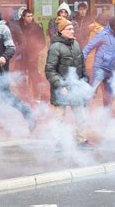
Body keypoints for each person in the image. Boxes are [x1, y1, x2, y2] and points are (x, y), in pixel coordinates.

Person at [45, 16, 92, 150]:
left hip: (76, 88)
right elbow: (49, 71)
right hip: (61, 90)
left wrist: (85, 82)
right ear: (61, 31)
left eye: (72, 28)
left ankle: (81, 141)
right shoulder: (55, 47)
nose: (72, 31)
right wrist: (61, 86)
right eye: (69, 29)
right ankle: (57, 143)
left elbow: (82, 66)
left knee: (81, 117)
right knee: (59, 118)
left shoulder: (76, 44)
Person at [83, 16, 115, 108]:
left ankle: (106, 116)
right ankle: (84, 113)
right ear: (114, 26)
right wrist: (82, 60)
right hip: (99, 68)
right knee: (92, 91)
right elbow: (88, 47)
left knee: (110, 94)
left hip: (112, 70)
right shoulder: (103, 34)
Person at [19, 9, 46, 101]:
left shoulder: (37, 27)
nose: (30, 18)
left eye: (31, 16)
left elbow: (43, 42)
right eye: (28, 16)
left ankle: (36, 96)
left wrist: (35, 52)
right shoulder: (20, 26)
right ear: (23, 17)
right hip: (22, 55)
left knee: (34, 75)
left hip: (33, 55)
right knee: (22, 76)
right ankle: (24, 96)